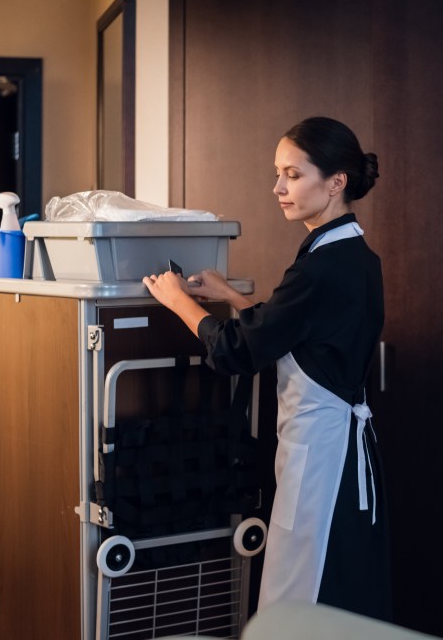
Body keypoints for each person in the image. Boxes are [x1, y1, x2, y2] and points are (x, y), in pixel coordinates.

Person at [143, 116, 392, 621]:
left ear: (335, 182)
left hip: (323, 456)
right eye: (277, 173)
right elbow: (300, 332)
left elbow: (237, 350)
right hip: (334, 447)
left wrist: (178, 303)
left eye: (293, 175)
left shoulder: (322, 266)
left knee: (304, 594)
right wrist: (233, 296)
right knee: (329, 583)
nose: (278, 187)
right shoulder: (354, 255)